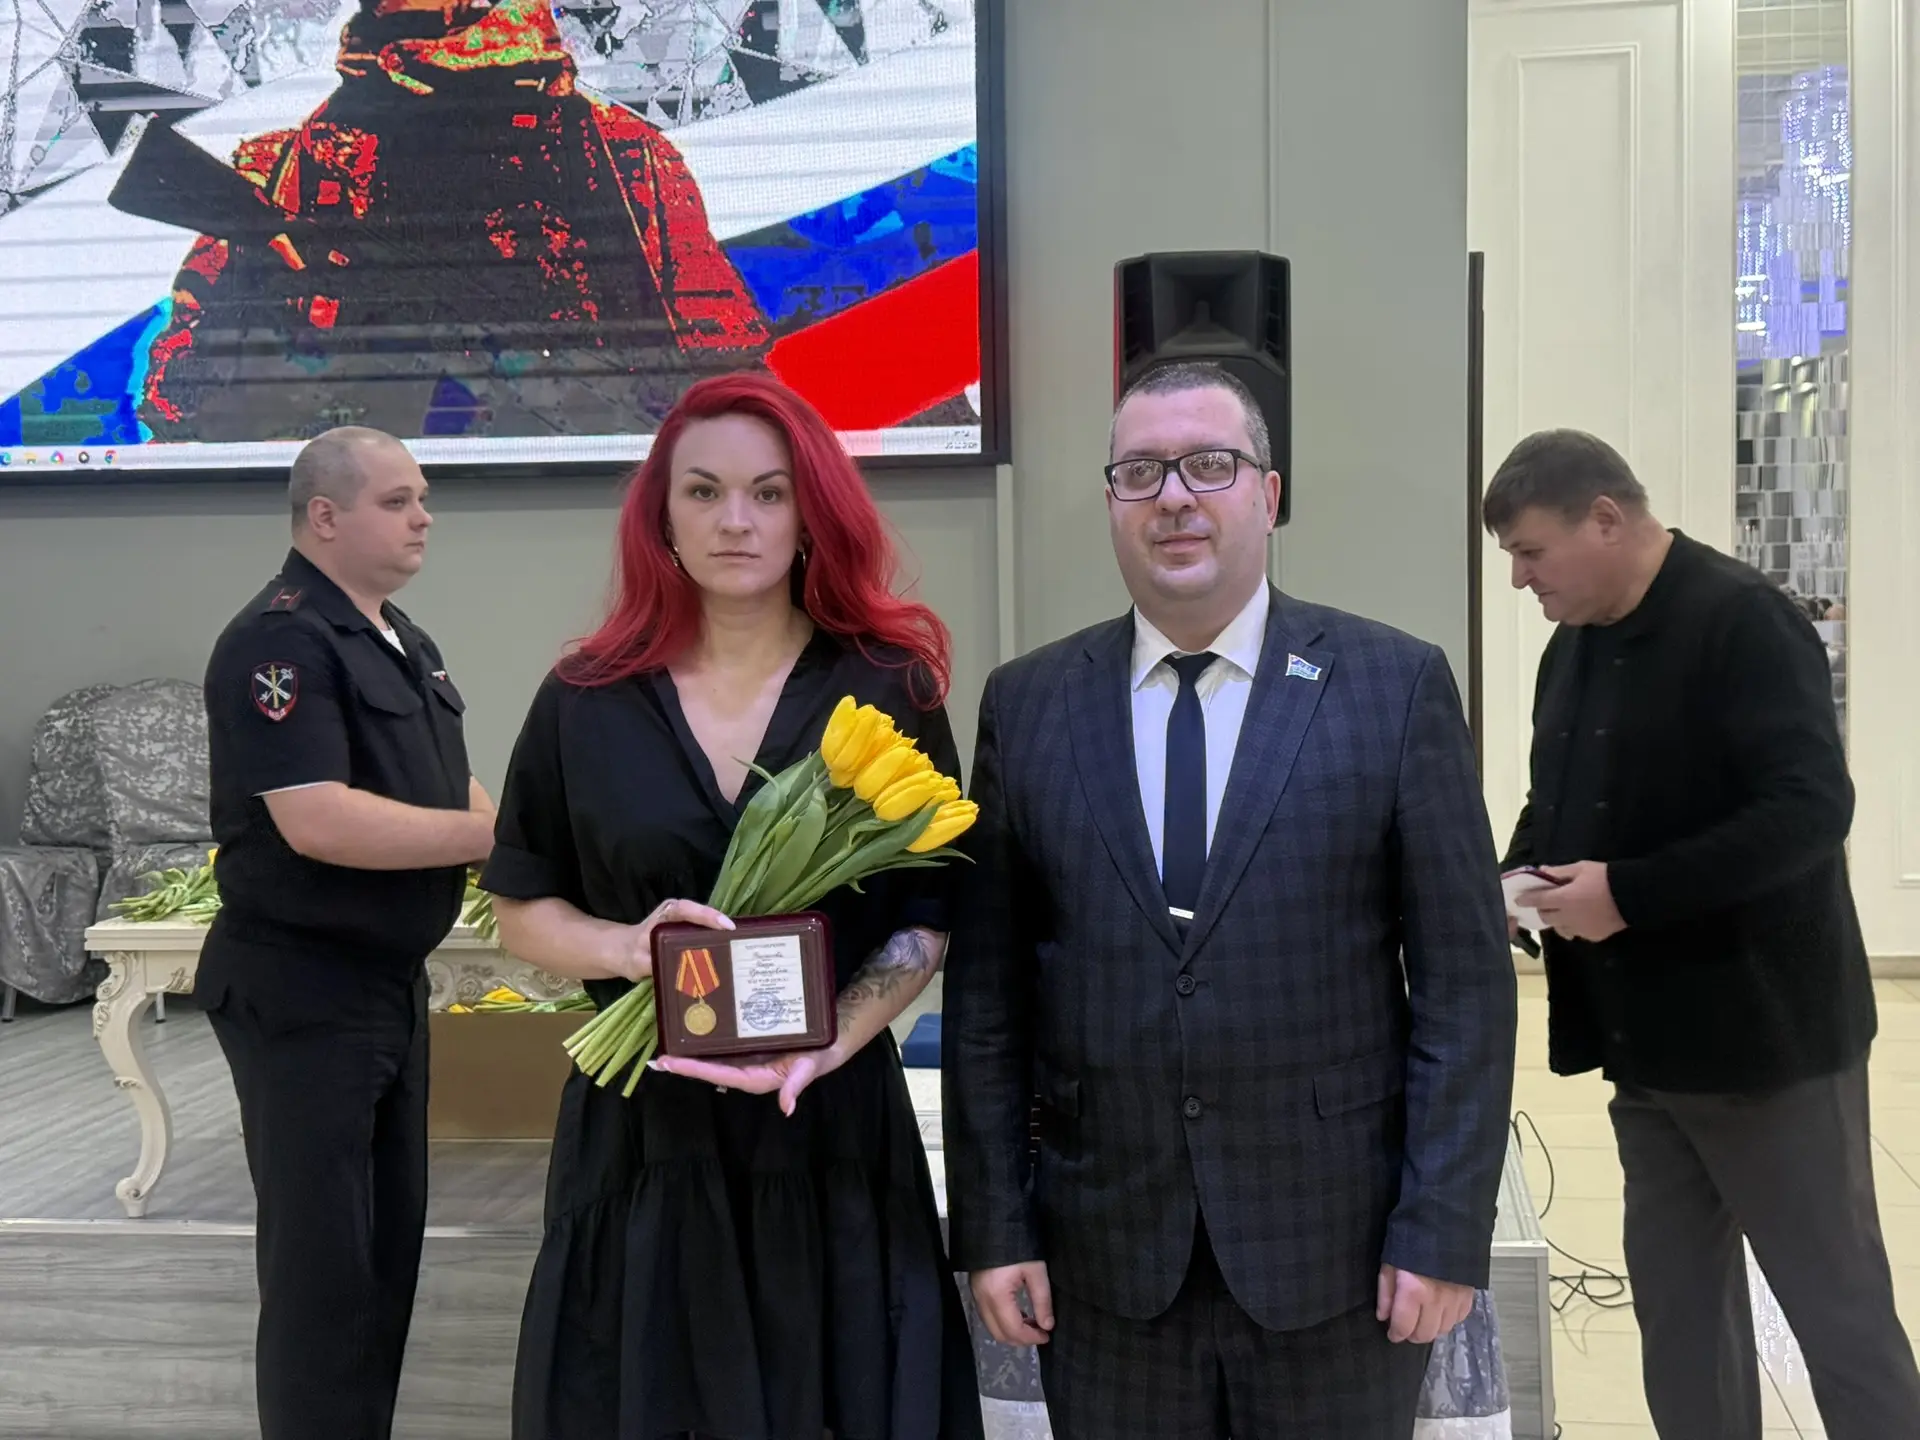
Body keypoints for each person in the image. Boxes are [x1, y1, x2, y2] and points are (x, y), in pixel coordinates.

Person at [942, 360, 1519, 1439]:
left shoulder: (1392, 686)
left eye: (1210, 465)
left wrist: (1442, 1230)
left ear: (1269, 492)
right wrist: (993, 1226)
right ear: (1111, 501)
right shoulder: (1028, 704)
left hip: (1336, 1259)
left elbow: (1465, 991)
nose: (1174, 497)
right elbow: (987, 1002)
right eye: (1141, 472)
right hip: (1104, 1263)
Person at [480, 372, 985, 1440]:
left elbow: (925, 916)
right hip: (643, 1132)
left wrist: (833, 1041)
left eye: (768, 492)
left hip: (827, 1128)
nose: (736, 521)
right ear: (662, 515)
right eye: (703, 492)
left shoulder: (887, 687)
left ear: (810, 513)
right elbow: (522, 908)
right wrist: (629, 948)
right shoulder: (584, 698)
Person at [1490, 429, 1920, 1439]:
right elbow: (1560, 798)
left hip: (1769, 1050)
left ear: (1605, 518)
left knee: (1836, 1311)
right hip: (1647, 1050)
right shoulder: (1575, 642)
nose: (1519, 579)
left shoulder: (1744, 622)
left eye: (1531, 552)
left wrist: (1629, 895)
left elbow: (1810, 810)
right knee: (1681, 1317)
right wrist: (1515, 880)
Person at [196, 426, 497, 1440]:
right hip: (303, 990)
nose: (423, 518)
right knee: (323, 1278)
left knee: (380, 1262)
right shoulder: (279, 643)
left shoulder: (403, 638)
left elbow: (450, 782)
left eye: (423, 499)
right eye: (397, 501)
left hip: (385, 987)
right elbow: (316, 820)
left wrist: (522, 844)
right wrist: (493, 839)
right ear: (324, 516)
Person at [117, 0, 770, 443]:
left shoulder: (623, 159)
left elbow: (735, 392)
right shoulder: (285, 172)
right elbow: (177, 408)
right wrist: (273, 322)